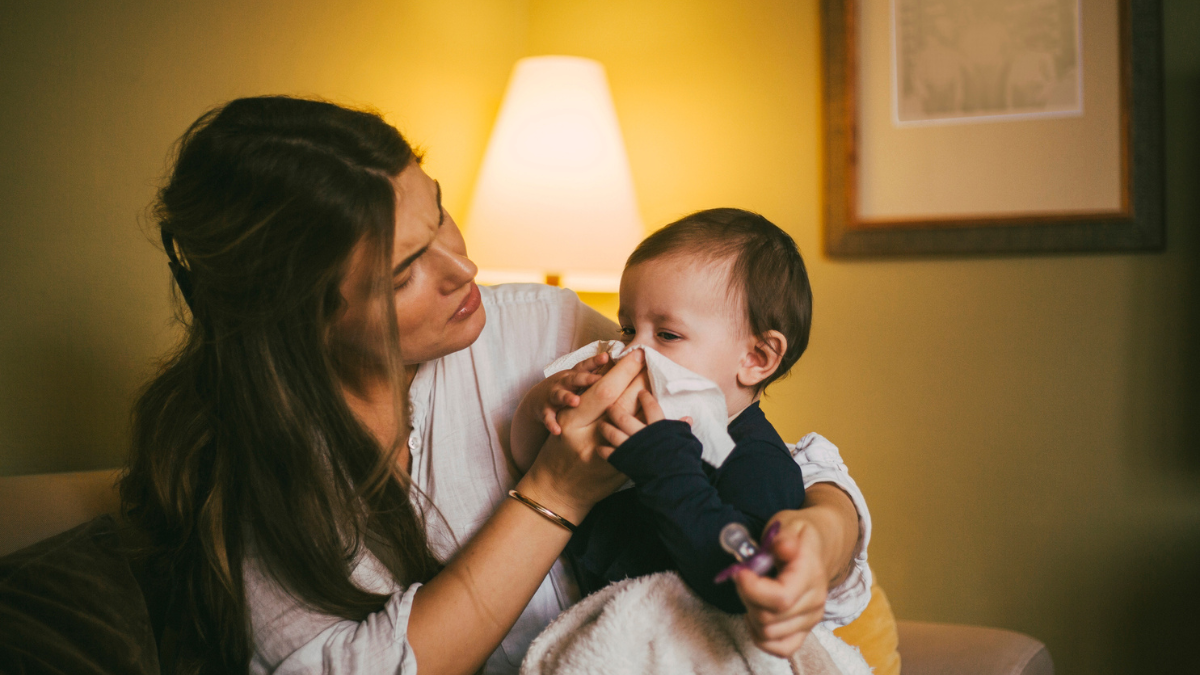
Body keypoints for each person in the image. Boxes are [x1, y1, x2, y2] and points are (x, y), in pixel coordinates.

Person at [119, 96, 871, 675]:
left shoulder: (538, 326)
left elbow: (755, 444)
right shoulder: (254, 470)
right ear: (300, 318)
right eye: (406, 269)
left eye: (440, 210)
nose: (463, 268)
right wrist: (558, 491)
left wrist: (824, 534)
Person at [511, 208, 815, 614]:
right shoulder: (630, 421)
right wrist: (544, 405)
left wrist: (667, 466)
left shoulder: (757, 460)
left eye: (667, 335)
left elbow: (745, 574)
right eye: (627, 330)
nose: (632, 352)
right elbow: (528, 461)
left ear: (757, 358)